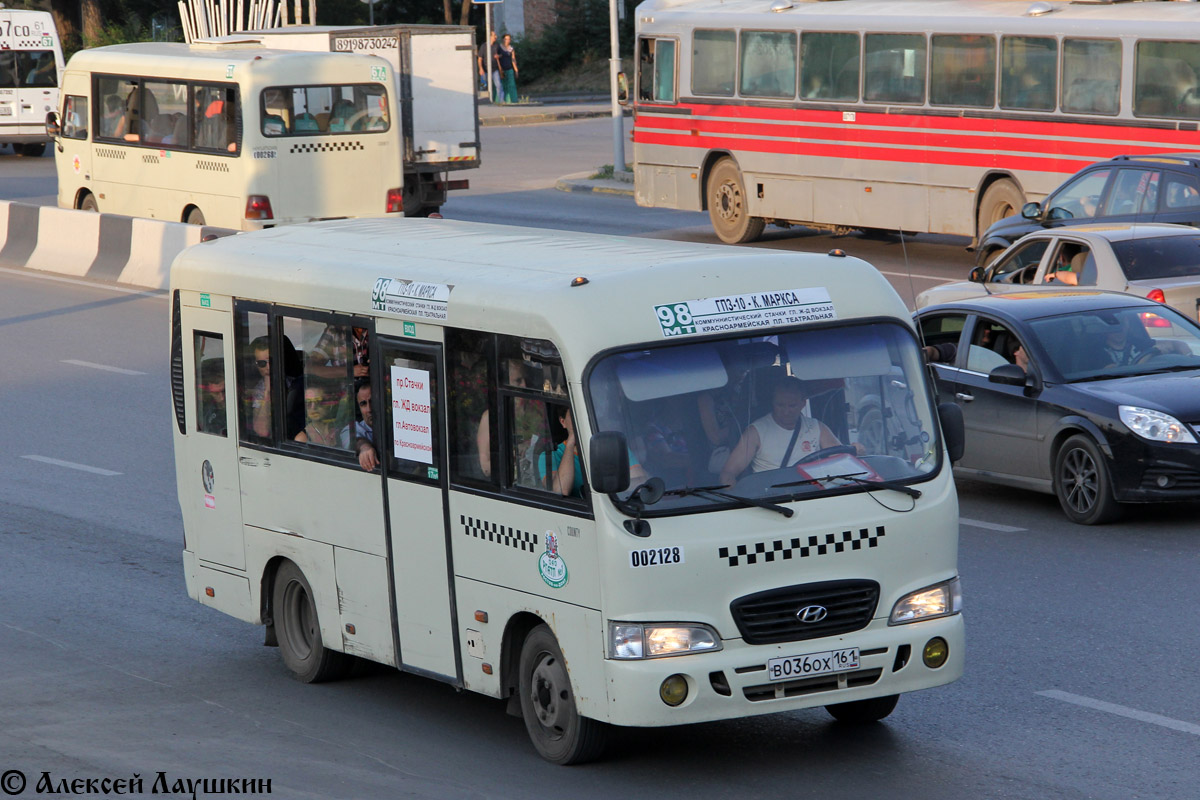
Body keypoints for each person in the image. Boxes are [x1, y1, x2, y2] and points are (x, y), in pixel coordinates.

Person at [719, 376, 863, 486]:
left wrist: (857, 452)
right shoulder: (756, 432)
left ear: (803, 403)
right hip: (772, 498)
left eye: (792, 405)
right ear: (772, 402)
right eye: (780, 405)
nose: (786, 411)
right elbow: (728, 473)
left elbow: (840, 460)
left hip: (812, 495)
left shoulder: (816, 428)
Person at [295, 378, 349, 448]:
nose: (313, 407)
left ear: (329, 403)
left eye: (318, 402)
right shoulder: (302, 439)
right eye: (308, 403)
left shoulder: (341, 430)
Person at [347, 379, 378, 471]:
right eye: (363, 404)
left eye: (373, 401)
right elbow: (353, 440)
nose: (369, 409)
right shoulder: (353, 428)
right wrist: (364, 447)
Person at [199, 359, 227, 436]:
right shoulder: (202, 405)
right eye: (216, 393)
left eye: (224, 392)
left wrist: (221, 405)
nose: (221, 397)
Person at [495, 34, 518, 105]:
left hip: (509, 69)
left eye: (509, 39)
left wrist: (516, 70)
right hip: (501, 69)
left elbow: (513, 59)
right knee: (502, 85)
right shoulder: (499, 47)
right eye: (506, 39)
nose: (507, 40)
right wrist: (500, 69)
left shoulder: (511, 48)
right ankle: (501, 100)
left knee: (511, 85)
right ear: (503, 39)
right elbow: (496, 58)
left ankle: (513, 100)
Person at [478, 31, 500, 102]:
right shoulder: (484, 46)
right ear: (490, 37)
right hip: (485, 70)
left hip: (494, 69)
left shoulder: (497, 45)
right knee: (484, 86)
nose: (496, 37)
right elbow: (480, 59)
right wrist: (481, 68)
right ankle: (483, 101)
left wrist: (498, 56)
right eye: (494, 35)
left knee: (498, 85)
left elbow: (501, 54)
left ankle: (500, 101)